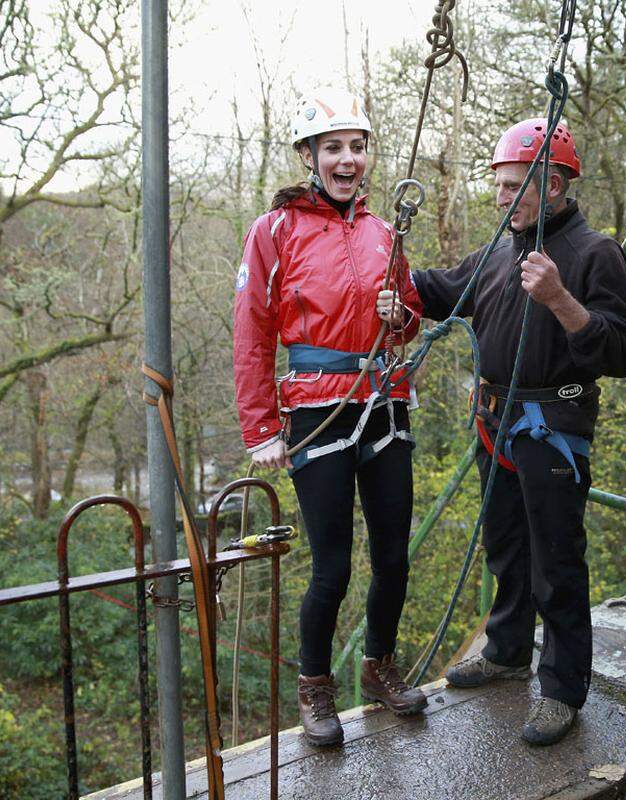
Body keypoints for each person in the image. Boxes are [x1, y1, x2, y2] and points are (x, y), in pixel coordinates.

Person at [378, 118, 626, 746]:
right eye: (497, 185)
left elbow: (625, 349)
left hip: (552, 424)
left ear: (552, 184)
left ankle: (561, 688)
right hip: (495, 421)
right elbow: (442, 291)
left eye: (511, 187)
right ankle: (506, 650)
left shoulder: (591, 253)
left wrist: (560, 300)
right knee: (506, 545)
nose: (499, 197)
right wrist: (399, 291)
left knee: (556, 557)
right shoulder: (500, 248)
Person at [232, 89, 428, 747]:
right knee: (333, 566)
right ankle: (315, 686)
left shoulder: (383, 232)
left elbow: (406, 313)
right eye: (335, 148)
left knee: (395, 555)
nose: (349, 160)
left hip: (383, 400)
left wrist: (404, 317)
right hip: (316, 409)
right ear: (311, 157)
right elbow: (252, 330)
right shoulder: (275, 231)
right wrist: (260, 428)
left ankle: (378, 665)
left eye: (358, 147)